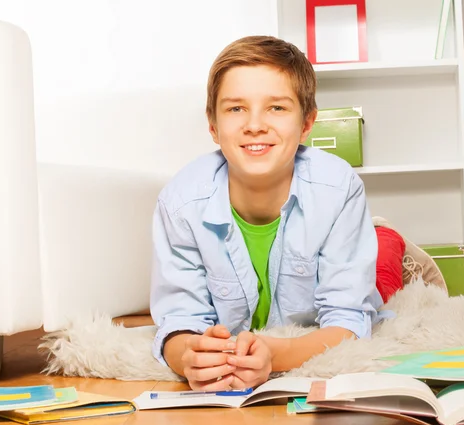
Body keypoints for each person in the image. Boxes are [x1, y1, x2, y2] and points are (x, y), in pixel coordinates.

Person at [149, 35, 440, 391]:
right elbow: (179, 320)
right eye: (236, 108)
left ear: (306, 124)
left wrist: (277, 353)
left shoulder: (339, 188)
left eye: (277, 108)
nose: (255, 124)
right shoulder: (180, 204)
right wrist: (189, 357)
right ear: (213, 125)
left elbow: (350, 320)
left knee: (383, 290)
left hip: (360, 248)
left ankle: (385, 237)